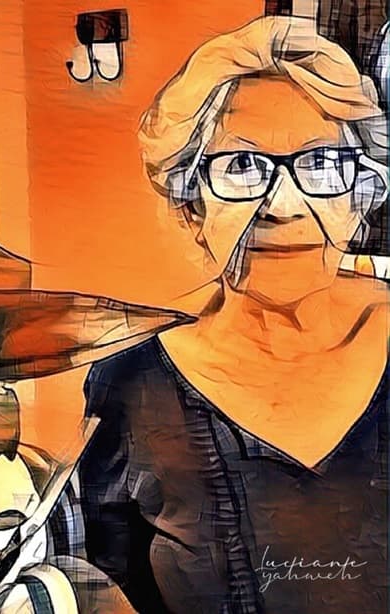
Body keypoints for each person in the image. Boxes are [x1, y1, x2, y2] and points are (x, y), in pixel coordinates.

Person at [78, 16, 389, 614]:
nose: (283, 205)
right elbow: (110, 580)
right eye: (242, 167)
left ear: (361, 197)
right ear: (191, 208)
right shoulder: (130, 387)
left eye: (322, 163)